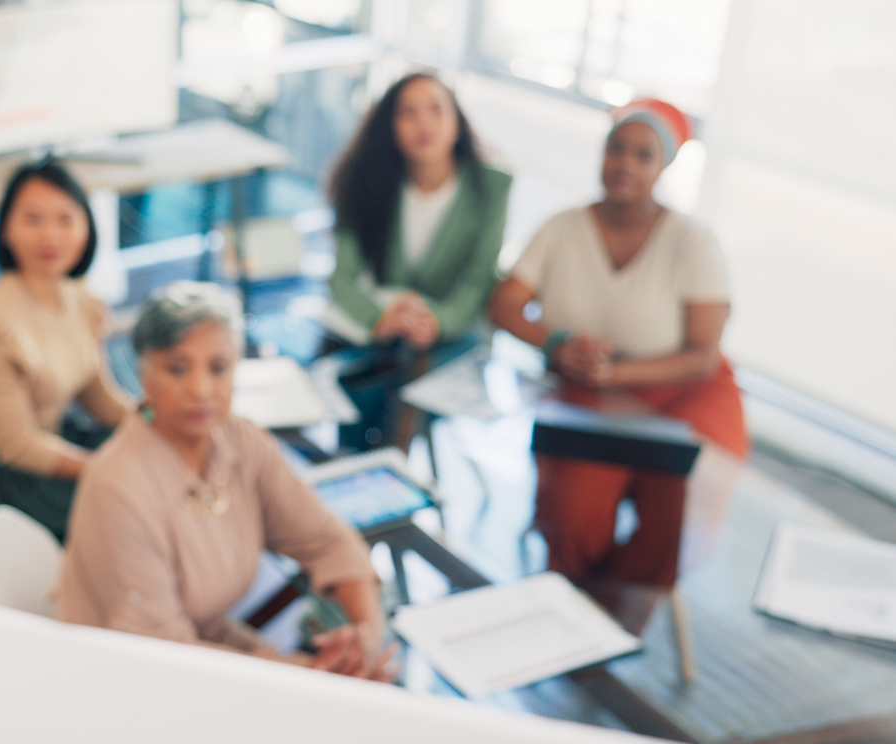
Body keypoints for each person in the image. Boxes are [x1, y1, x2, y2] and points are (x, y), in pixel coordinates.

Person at [59, 282, 394, 681]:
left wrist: (366, 637)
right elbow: (161, 656)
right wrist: (315, 674)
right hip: (126, 679)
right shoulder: (118, 486)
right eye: (177, 369)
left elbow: (326, 540)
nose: (201, 390)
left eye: (218, 368)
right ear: (144, 375)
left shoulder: (242, 441)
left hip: (208, 647)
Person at [489, 98, 747, 598]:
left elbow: (702, 355)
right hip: (585, 393)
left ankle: (619, 612)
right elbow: (504, 306)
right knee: (572, 509)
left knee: (679, 511)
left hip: (684, 396)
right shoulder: (561, 227)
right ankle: (577, 599)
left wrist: (617, 374)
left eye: (642, 155)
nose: (625, 164)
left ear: (663, 166)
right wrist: (559, 346)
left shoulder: (693, 243)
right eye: (616, 149)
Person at [0, 160, 132, 542]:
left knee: (150, 469)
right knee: (132, 505)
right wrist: (104, 468)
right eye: (33, 219)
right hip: (7, 477)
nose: (51, 235)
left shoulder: (79, 298)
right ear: (7, 229)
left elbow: (97, 395)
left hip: (51, 441)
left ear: (87, 227)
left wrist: (157, 417)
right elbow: (17, 446)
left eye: (66, 219)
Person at [326, 72, 512, 448]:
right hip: (385, 325)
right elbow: (342, 279)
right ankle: (358, 461)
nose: (424, 123)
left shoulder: (491, 187)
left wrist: (436, 321)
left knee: (404, 386)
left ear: (457, 121)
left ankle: (379, 465)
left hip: (452, 331)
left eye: (436, 110)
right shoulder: (367, 181)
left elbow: (478, 282)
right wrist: (379, 318)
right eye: (408, 112)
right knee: (357, 371)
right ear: (389, 126)